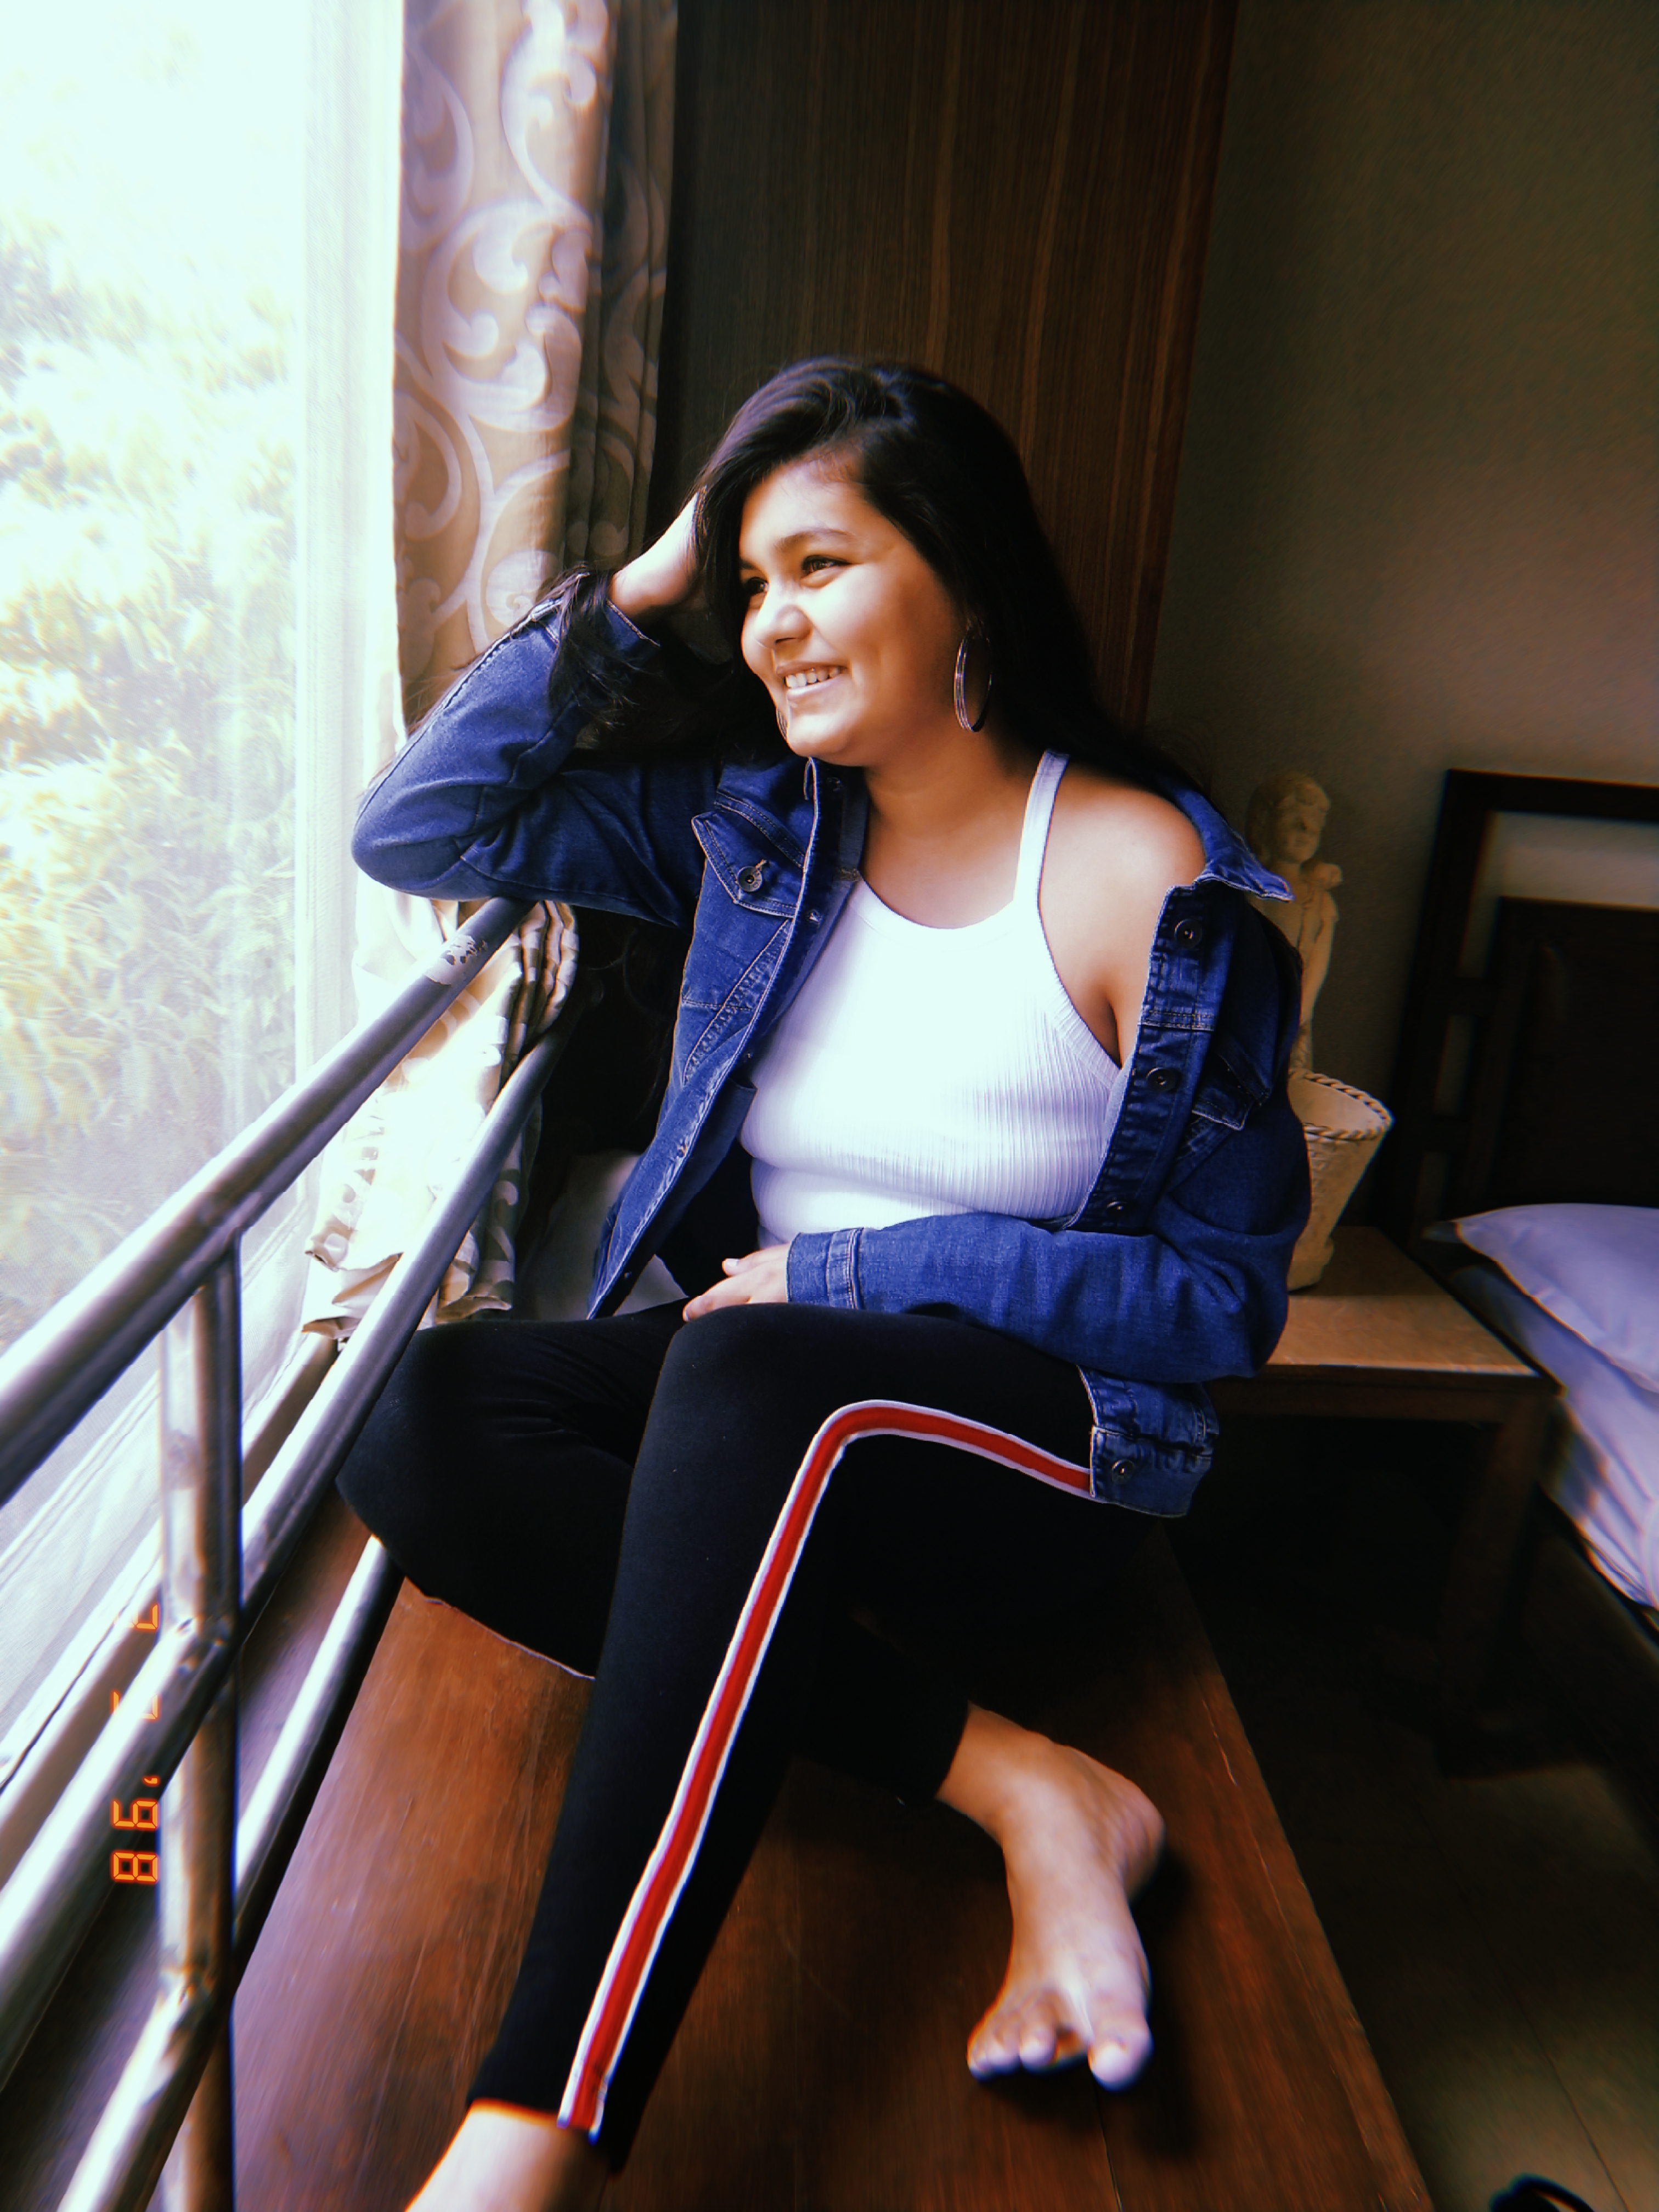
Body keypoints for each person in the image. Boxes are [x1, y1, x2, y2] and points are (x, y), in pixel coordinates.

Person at [338, 358, 1308, 2211]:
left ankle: (531, 2135)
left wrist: (852, 1268)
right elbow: (418, 831)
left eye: (821, 566)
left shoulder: (1141, 871)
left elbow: (1217, 1306)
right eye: (749, 580)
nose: (771, 621)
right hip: (766, 1414)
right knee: (425, 1415)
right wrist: (640, 587)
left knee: (766, 1360)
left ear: (965, 579)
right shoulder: (752, 830)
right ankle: (1022, 1783)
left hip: (1032, 1463)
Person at [1245, 770, 1341, 1074]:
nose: (1307, 829)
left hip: (1291, 1023)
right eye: (1295, 820)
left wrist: (1295, 1018)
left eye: (1315, 824)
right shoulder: (1246, 890)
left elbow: (1316, 971)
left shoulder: (1319, 902)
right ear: (1264, 824)